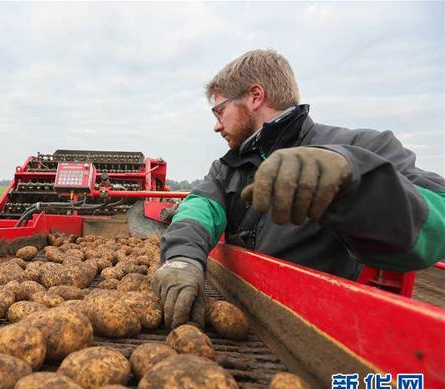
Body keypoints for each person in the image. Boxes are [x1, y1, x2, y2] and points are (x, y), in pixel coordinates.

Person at [152, 49, 445, 329]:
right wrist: (182, 258)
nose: (217, 126)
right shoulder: (227, 168)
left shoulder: (363, 148)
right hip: (250, 317)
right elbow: (198, 208)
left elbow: (437, 218)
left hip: (323, 328)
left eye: (219, 111)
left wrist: (355, 180)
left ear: (255, 96)